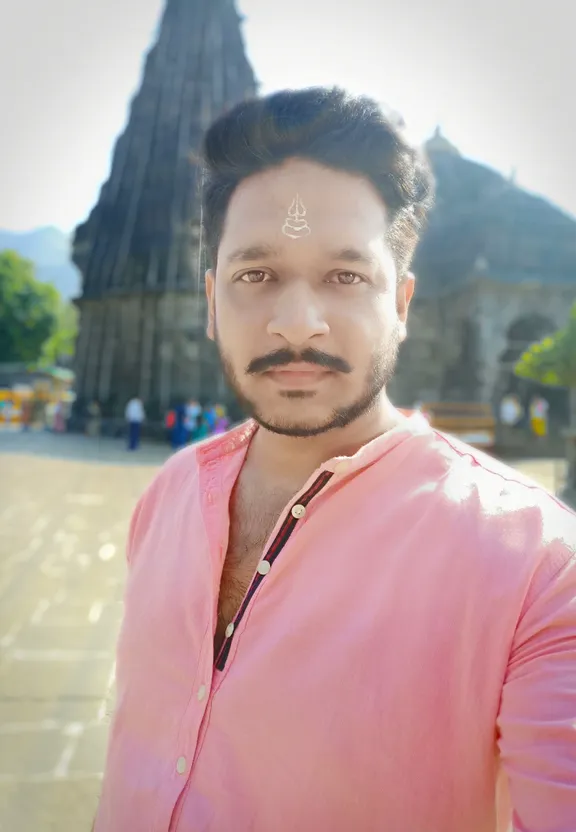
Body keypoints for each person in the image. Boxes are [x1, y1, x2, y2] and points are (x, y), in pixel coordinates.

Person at [94, 89, 576, 832]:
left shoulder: (537, 568)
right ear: (212, 300)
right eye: (257, 274)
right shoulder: (168, 497)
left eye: (346, 276)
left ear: (405, 303)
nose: (297, 323)